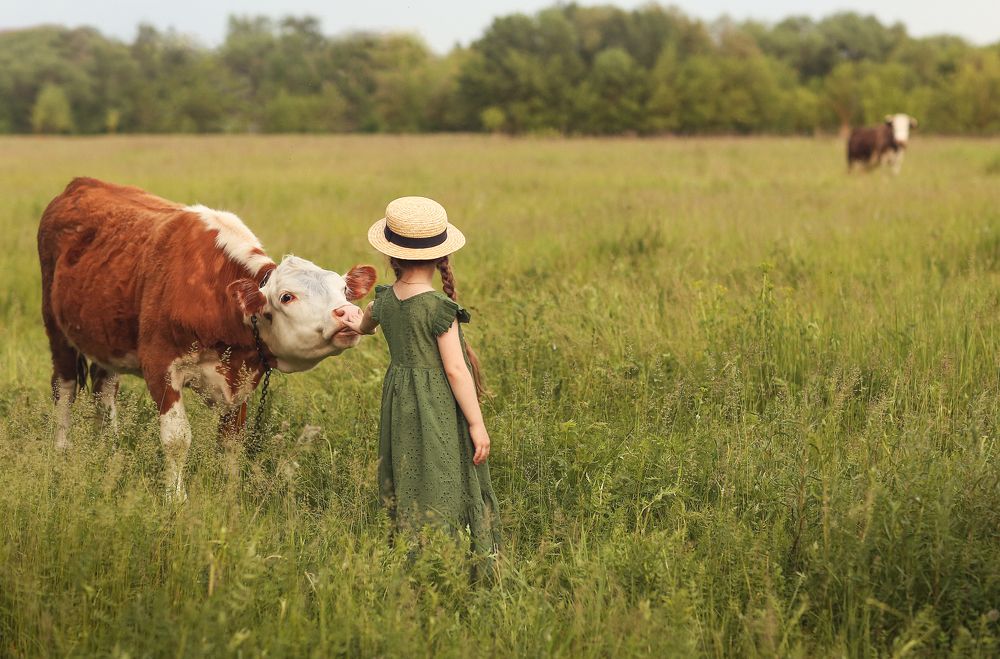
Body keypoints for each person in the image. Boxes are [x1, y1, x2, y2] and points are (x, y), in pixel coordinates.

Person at [343, 196, 500, 566]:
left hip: (399, 399)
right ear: (441, 257)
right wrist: (477, 424)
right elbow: (455, 370)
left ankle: (409, 545)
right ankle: (449, 555)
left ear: (392, 256)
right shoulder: (438, 308)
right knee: (444, 468)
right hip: (436, 402)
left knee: (408, 466)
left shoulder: (383, 301)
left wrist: (350, 319)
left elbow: (363, 325)